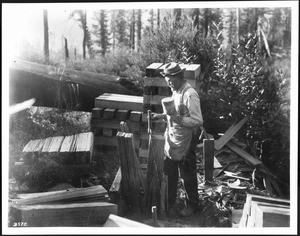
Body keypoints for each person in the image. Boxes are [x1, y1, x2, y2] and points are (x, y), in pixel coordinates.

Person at [151, 62, 204, 217]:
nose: (169, 84)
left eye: (171, 81)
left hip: (186, 143)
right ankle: (171, 203)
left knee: (188, 177)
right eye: (167, 81)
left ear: (179, 77)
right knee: (170, 174)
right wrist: (161, 116)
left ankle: (193, 206)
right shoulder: (176, 91)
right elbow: (174, 114)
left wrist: (177, 118)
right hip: (173, 141)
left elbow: (197, 120)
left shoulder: (189, 94)